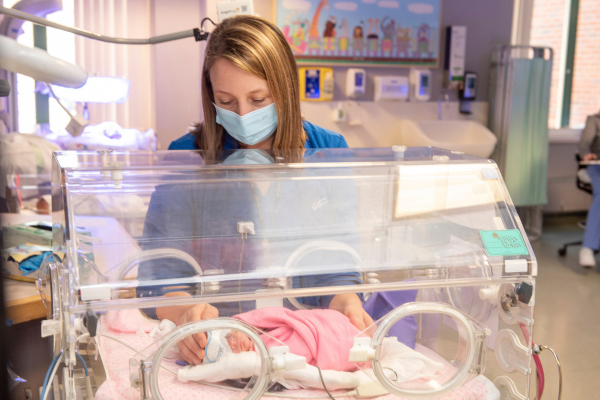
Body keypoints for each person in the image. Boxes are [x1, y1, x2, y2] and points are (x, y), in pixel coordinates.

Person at [138, 15, 373, 366]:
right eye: (227, 101)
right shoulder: (189, 158)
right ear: (210, 95)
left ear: (285, 90)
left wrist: (345, 302)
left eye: (258, 99)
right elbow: (160, 277)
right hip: (217, 339)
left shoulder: (326, 152)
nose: (244, 116)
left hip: (300, 338)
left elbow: (337, 269)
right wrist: (188, 314)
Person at [578, 112, 600, 267]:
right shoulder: (594, 120)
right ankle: (588, 248)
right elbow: (584, 144)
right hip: (595, 166)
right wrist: (586, 155)